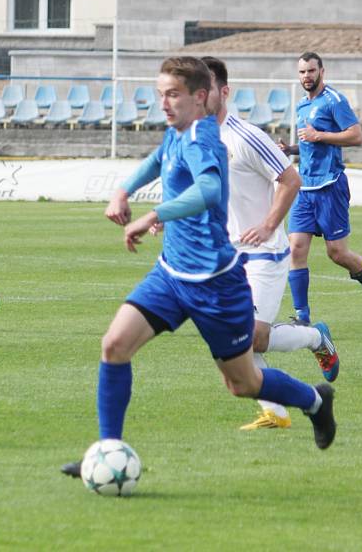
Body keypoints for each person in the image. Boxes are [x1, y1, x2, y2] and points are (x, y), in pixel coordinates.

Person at [61, 57, 336, 478]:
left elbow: (209, 190)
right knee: (114, 345)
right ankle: (108, 448)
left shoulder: (206, 140)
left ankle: (315, 401)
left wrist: (154, 215)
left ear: (200, 97)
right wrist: (122, 189)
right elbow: (157, 158)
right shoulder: (178, 132)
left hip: (216, 286)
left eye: (172, 94)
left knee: (243, 383)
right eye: (160, 95)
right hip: (172, 275)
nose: (163, 103)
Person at [202, 56, 340, 431]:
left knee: (254, 338)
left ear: (224, 92)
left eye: (206, 88)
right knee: (235, 341)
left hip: (264, 253)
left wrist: (267, 224)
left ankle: (316, 337)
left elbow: (290, 179)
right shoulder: (194, 139)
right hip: (225, 258)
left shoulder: (244, 136)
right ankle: (275, 413)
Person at [278, 52, 362, 330]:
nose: (307, 76)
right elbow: (309, 146)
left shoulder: (334, 100)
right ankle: (302, 317)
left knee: (338, 254)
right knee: (296, 249)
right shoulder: (302, 106)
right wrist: (290, 150)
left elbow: (356, 135)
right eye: (302, 72)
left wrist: (320, 136)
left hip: (330, 186)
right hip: (305, 186)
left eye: (311, 71)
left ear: (321, 71)